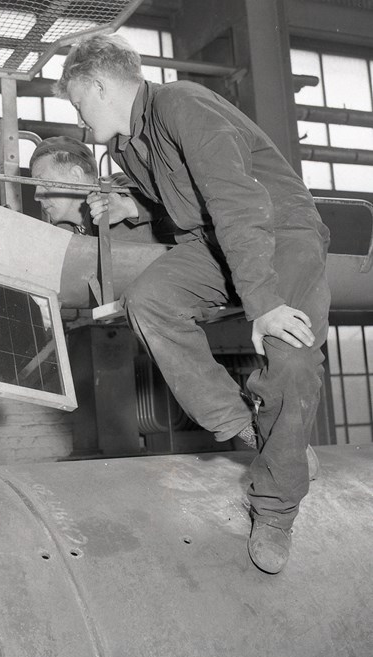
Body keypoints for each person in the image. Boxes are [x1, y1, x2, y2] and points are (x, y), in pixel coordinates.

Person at [55, 34, 331, 574]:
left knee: (292, 357)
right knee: (150, 300)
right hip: (216, 244)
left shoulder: (184, 104)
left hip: (281, 235)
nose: (78, 117)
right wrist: (129, 208)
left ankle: (275, 508)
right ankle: (248, 428)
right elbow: (180, 210)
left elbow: (237, 201)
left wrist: (264, 304)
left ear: (97, 85)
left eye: (77, 102)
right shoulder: (125, 148)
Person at [29, 135, 169, 242]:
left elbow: (166, 197)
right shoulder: (66, 230)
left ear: (75, 175)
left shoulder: (115, 187)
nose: (36, 196)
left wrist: (126, 205)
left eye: (44, 183)